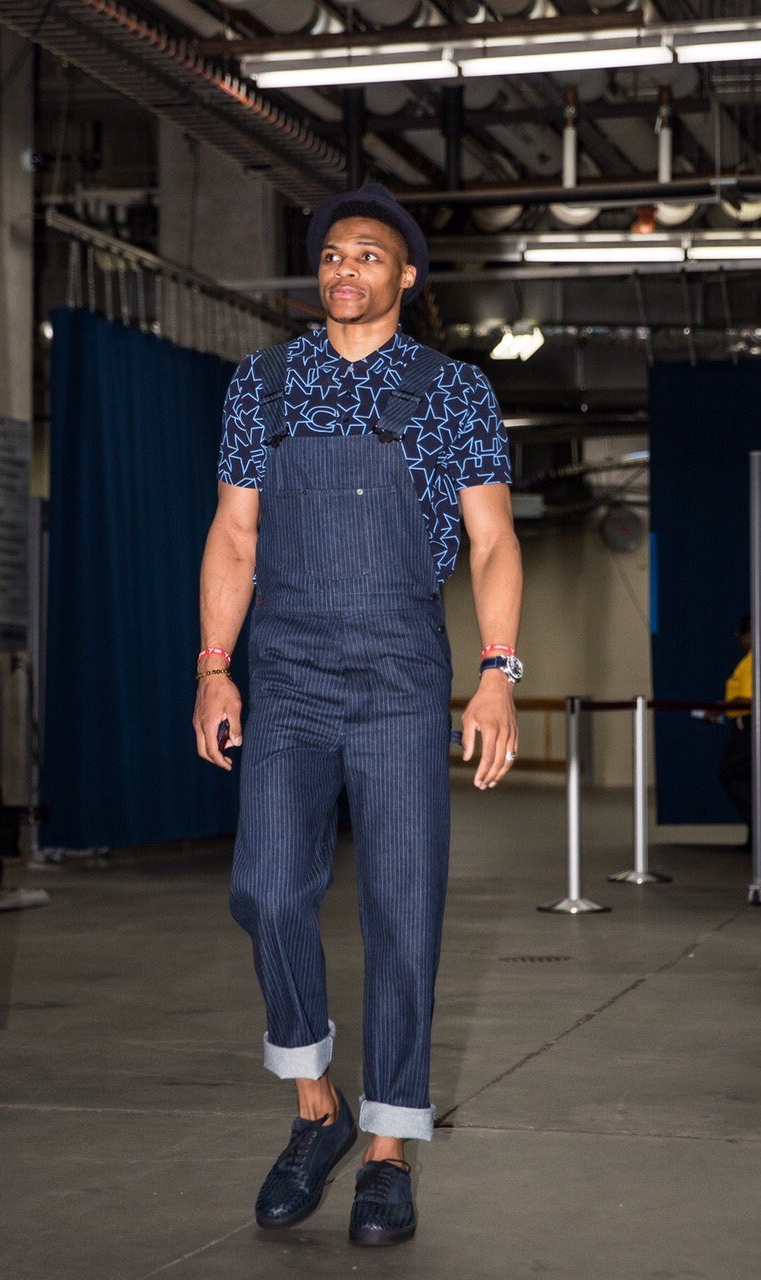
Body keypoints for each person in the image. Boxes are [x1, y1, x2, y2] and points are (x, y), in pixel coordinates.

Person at [193, 181, 523, 1247]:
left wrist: (498, 670)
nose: (345, 268)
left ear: (406, 277)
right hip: (286, 664)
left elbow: (491, 540)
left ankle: (386, 1148)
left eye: (369, 255)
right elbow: (234, 534)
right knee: (265, 889)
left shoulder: (452, 390)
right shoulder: (262, 384)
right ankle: (316, 1106)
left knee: (402, 908)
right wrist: (214, 666)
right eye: (333, 254)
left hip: (397, 664)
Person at [714, 615, 753, 840]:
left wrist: (720, 708)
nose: (738, 639)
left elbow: (748, 698)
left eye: (742, 634)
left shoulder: (752, 661)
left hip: (749, 727)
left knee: (730, 773)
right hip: (744, 724)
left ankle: (757, 824)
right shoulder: (748, 661)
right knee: (748, 777)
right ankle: (754, 836)